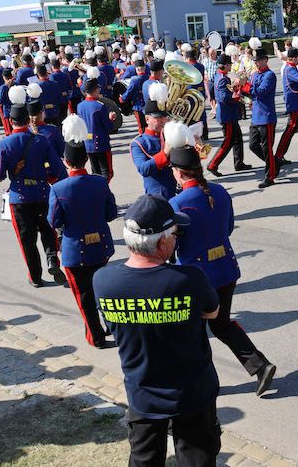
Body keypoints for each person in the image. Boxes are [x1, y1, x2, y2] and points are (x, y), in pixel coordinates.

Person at [94, 194, 222, 465]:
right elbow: (212, 312)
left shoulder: (103, 280)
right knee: (197, 460)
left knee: (144, 459)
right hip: (192, 393)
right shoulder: (189, 279)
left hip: (143, 393)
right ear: (162, 242)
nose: (177, 239)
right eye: (176, 233)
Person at [169, 145, 276, 396]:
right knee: (221, 324)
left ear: (178, 172)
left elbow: (173, 244)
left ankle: (202, 383)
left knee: (194, 332)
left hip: (197, 277)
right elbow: (227, 228)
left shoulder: (176, 203)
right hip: (225, 269)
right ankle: (260, 366)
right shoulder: (219, 191)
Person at [48, 116, 117, 348]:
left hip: (75, 250)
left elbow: (54, 221)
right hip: (101, 246)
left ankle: (95, 336)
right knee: (103, 291)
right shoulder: (100, 182)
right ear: (86, 159)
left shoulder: (58, 189)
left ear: (66, 162)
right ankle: (113, 327)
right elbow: (111, 213)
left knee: (84, 296)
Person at [0, 99, 67, 287]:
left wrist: (13, 169)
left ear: (11, 121)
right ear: (28, 120)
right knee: (48, 230)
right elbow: (57, 169)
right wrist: (43, 176)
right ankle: (52, 260)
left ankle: (35, 276)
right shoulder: (41, 140)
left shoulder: (4, 144)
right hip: (42, 193)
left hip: (20, 197)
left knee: (27, 240)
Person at [207, 54, 251, 176]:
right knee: (228, 141)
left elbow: (213, 90)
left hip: (228, 113)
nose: (231, 66)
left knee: (238, 138)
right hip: (227, 115)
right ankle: (212, 165)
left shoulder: (218, 75)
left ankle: (239, 163)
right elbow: (223, 97)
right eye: (230, 64)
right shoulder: (223, 79)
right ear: (226, 65)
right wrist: (237, 95)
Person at [130, 96, 176, 198]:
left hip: (179, 191)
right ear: (147, 119)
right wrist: (165, 153)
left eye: (164, 117)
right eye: (158, 118)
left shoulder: (170, 135)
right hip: (158, 195)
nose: (162, 121)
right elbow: (143, 169)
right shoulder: (139, 143)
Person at [248, 45, 279, 189]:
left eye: (259, 60)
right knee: (253, 145)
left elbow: (261, 92)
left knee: (267, 148)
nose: (256, 63)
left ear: (266, 60)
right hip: (255, 115)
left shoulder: (269, 75)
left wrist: (246, 86)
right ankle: (275, 162)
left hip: (266, 116)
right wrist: (239, 88)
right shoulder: (254, 74)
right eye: (255, 60)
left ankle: (270, 176)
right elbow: (250, 93)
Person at [77, 78, 116, 182]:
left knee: (95, 171)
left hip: (87, 143)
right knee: (107, 172)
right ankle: (102, 190)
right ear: (95, 90)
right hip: (101, 143)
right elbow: (109, 127)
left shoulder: (80, 106)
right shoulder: (100, 106)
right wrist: (111, 119)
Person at [121, 59, 148, 134]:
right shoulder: (148, 78)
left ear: (137, 69)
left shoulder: (134, 80)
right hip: (148, 105)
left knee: (141, 127)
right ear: (144, 68)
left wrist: (122, 98)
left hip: (138, 106)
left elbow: (129, 92)